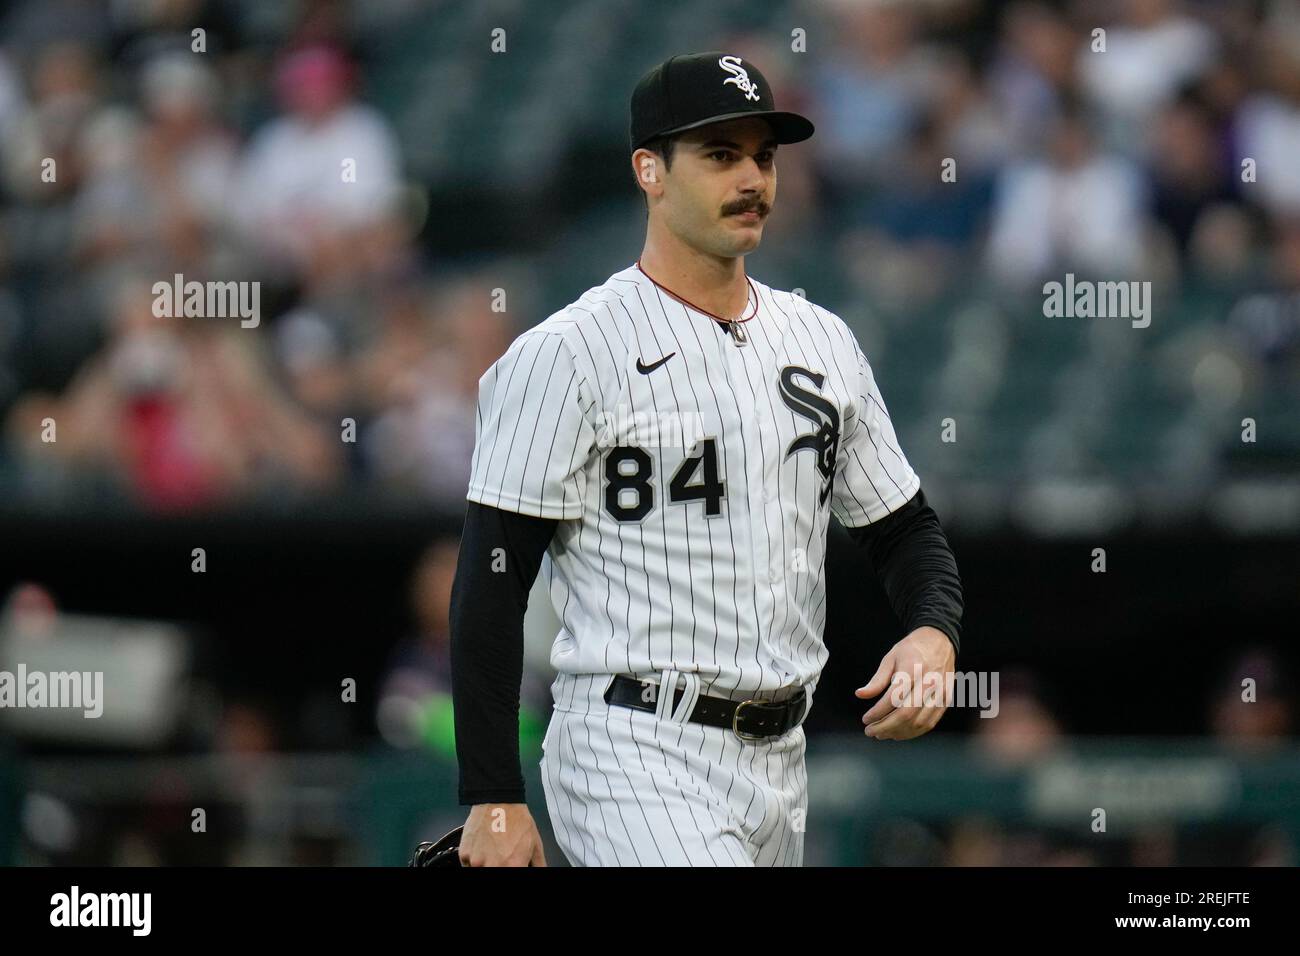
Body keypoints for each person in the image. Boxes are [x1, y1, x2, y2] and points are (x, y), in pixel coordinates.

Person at [449, 52, 963, 867]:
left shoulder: (822, 340)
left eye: (763, 155)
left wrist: (934, 634)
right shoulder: (569, 354)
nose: (752, 177)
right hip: (634, 746)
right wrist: (493, 795)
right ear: (649, 169)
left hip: (781, 757)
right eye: (720, 155)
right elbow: (491, 581)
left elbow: (905, 531)